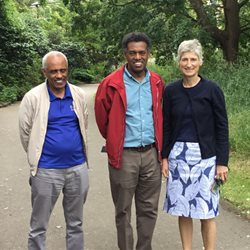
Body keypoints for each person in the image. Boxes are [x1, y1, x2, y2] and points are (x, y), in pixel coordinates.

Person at [94, 32, 164, 250]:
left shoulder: (157, 82)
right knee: (123, 210)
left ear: (148, 54)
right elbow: (102, 118)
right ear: (125, 54)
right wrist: (116, 139)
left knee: (149, 208)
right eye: (132, 53)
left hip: (152, 154)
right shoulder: (110, 83)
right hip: (124, 155)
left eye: (142, 52)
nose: (137, 57)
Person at [161, 39, 229, 250]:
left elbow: (222, 127)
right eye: (184, 59)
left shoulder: (212, 90)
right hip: (178, 157)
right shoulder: (171, 91)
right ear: (178, 62)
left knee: (206, 210)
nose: (188, 64)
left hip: (206, 158)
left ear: (200, 62)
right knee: (183, 209)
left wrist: (222, 162)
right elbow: (167, 126)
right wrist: (164, 157)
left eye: (193, 59)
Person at [18, 51, 89, 250]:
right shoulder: (32, 98)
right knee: (39, 226)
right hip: (46, 170)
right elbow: (25, 133)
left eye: (63, 70)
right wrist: (38, 158)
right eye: (53, 71)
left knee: (76, 224)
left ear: (68, 70)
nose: (59, 75)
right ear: (44, 72)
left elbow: (84, 124)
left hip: (77, 167)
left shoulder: (78, 95)